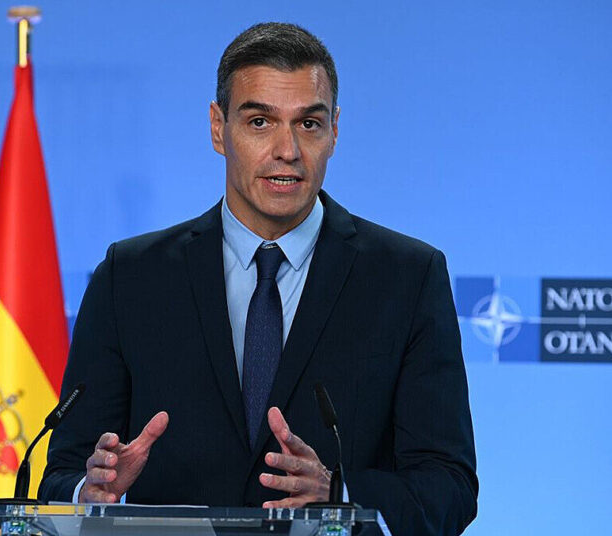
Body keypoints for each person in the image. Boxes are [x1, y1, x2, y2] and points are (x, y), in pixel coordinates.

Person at [39, 22, 478, 535]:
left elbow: (449, 488)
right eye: (260, 122)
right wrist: (91, 493)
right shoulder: (130, 278)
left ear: (335, 131)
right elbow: (61, 474)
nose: (287, 150)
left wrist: (338, 494)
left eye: (308, 124)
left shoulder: (407, 278)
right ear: (218, 127)